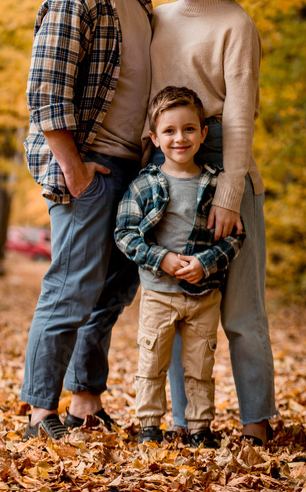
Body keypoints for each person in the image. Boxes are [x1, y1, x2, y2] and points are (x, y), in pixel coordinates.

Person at [20, 0, 169, 440]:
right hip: (90, 167)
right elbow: (46, 93)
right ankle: (40, 412)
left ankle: (85, 400)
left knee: (112, 288)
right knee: (72, 286)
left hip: (131, 167)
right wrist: (74, 169)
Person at [148, 0, 276, 446]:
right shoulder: (155, 19)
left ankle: (256, 422)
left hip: (225, 158)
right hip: (167, 165)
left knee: (241, 309)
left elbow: (243, 116)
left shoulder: (236, 25)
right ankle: (185, 421)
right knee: (176, 298)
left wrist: (228, 192)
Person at [115, 86, 244, 447]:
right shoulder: (144, 184)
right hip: (159, 294)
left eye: (189, 129)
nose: (180, 138)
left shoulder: (216, 183)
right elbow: (124, 233)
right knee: (151, 364)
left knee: (200, 368)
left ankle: (200, 428)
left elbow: (235, 237)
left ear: (204, 133)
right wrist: (163, 259)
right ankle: (149, 426)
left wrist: (205, 263)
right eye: (169, 131)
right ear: (155, 138)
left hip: (204, 295)